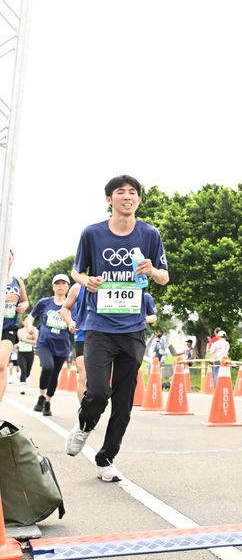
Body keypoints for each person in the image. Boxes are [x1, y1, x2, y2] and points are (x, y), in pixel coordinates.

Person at [65, 175, 168, 482]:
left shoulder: (149, 234)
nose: (127, 196)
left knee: (123, 401)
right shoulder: (92, 233)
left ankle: (106, 458)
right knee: (98, 391)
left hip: (133, 329)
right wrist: (87, 280)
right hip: (98, 326)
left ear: (139, 199)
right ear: (109, 199)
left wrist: (152, 270)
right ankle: (84, 425)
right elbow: (76, 271)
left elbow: (164, 277)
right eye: (120, 192)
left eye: (133, 192)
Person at [24, 274, 72, 416]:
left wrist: (70, 322)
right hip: (44, 343)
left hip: (62, 346)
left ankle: (48, 401)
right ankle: (41, 395)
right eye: (57, 283)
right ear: (53, 286)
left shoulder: (72, 305)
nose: (60, 286)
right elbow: (31, 316)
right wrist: (30, 326)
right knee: (47, 367)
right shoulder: (44, 302)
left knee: (55, 374)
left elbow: (76, 323)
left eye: (63, 283)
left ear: (68, 287)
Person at [0, 250, 28, 401]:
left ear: (12, 260)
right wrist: (4, 298)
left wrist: (22, 306)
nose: (6, 260)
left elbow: (25, 300)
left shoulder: (17, 281)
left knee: (1, 364)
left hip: (9, 326)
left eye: (9, 258)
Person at [60, 281, 90, 404]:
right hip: (82, 335)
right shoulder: (78, 288)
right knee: (84, 374)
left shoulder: (114, 283)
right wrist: (70, 322)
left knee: (99, 380)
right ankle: (84, 411)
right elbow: (64, 309)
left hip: (106, 335)